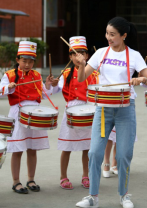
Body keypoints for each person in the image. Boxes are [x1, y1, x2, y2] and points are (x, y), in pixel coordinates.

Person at [74, 17, 147, 208]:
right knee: (94, 153)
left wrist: (141, 80)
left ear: (124, 35)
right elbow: (81, 78)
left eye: (112, 34)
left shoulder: (134, 55)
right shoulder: (101, 53)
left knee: (123, 154)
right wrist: (80, 64)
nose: (108, 37)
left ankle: (124, 195)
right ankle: (92, 197)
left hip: (125, 109)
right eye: (107, 33)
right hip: (103, 109)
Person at [0, 41, 54, 194]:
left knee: (32, 149)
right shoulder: (10, 75)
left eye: (31, 61)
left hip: (35, 113)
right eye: (24, 60)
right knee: (18, 149)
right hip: (18, 113)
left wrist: (47, 85)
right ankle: (16, 182)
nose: (27, 64)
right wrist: (7, 87)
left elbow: (45, 94)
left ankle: (31, 179)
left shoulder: (36, 75)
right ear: (18, 59)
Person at [52, 36, 99, 190]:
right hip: (71, 111)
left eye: (81, 53)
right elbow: (54, 90)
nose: (78, 56)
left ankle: (86, 175)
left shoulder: (93, 74)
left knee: (88, 146)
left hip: (89, 110)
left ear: (87, 56)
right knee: (67, 146)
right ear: (70, 57)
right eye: (74, 53)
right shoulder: (65, 74)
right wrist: (51, 84)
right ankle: (63, 176)